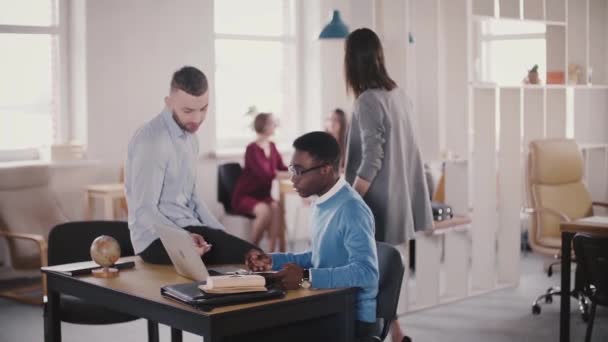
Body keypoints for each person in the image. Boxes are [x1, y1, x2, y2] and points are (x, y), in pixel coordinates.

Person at [245, 131, 379, 342]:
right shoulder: (322, 202)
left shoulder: (352, 209)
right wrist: (273, 260)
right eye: (292, 169)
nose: (293, 178)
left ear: (325, 170)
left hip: (350, 317)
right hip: (326, 303)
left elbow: (366, 272)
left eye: (299, 171)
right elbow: (320, 257)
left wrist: (306, 277)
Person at [343, 28, 433, 342]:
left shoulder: (368, 101)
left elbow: (371, 159)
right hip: (398, 199)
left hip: (375, 202)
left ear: (351, 61)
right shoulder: (399, 96)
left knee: (369, 272)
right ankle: (395, 332)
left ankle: (377, 332)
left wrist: (348, 200)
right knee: (384, 269)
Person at [125, 66, 257, 265]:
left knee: (254, 255)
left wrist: (220, 233)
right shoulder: (152, 140)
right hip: (155, 240)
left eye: (203, 109)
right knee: (252, 258)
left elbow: (193, 199)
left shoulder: (190, 138)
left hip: (189, 229)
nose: (197, 119)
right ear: (169, 103)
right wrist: (184, 239)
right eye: (188, 110)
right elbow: (144, 210)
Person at [231, 112, 288, 252]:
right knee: (265, 211)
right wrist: (279, 173)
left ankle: (270, 253)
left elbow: (282, 167)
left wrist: (297, 169)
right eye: (273, 122)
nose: (276, 125)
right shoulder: (251, 149)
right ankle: (252, 252)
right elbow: (264, 174)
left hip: (263, 196)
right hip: (246, 195)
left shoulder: (272, 146)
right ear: (264, 125)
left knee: (276, 208)